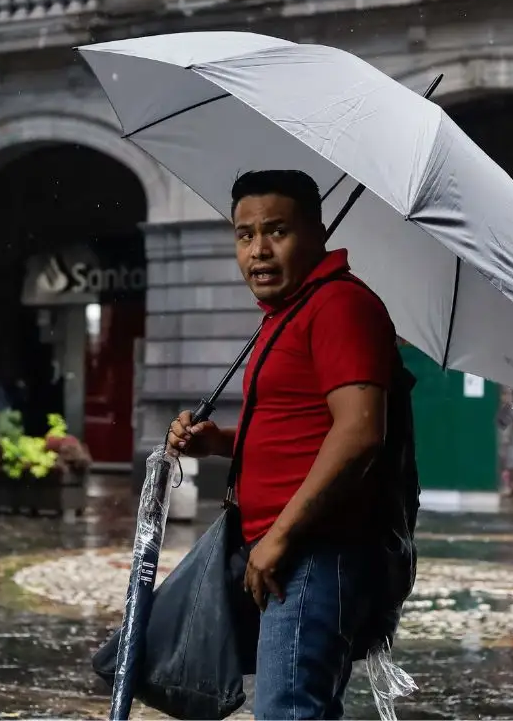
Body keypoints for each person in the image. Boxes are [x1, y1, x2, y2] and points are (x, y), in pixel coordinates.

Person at [165, 170, 398, 720]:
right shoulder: (291, 311)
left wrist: (281, 536)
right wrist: (218, 442)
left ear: (317, 234)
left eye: (277, 231)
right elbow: (298, 426)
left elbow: (360, 432)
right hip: (289, 549)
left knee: (289, 712)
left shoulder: (339, 305)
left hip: (315, 551)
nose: (259, 251)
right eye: (245, 235)